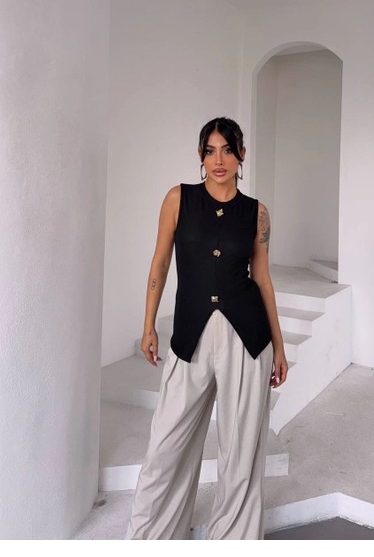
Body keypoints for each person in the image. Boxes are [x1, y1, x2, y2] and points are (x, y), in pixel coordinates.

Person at [125, 116, 288, 540]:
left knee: (241, 453)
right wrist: (148, 325)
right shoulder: (178, 199)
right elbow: (160, 262)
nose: (219, 160)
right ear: (201, 155)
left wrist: (279, 347)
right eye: (211, 151)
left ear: (241, 155)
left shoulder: (257, 213)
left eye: (228, 150)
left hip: (247, 339)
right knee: (165, 448)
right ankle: (151, 539)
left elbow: (263, 279)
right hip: (190, 335)